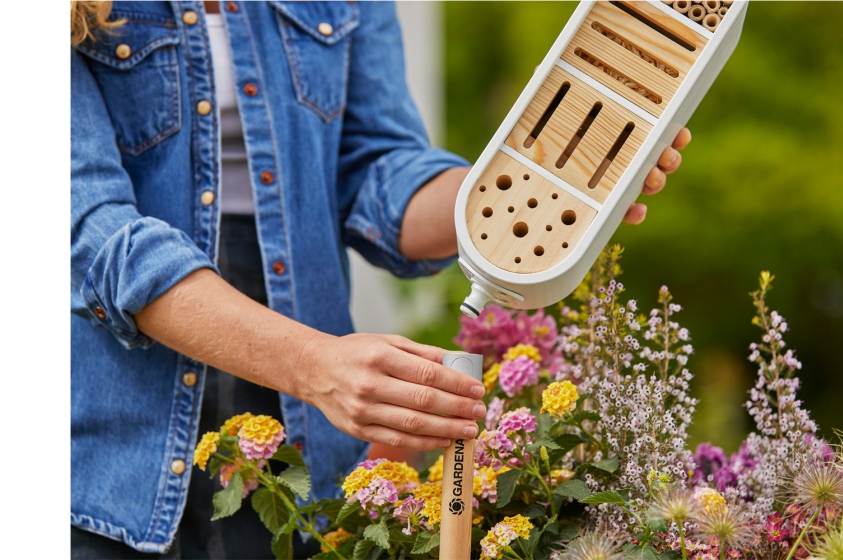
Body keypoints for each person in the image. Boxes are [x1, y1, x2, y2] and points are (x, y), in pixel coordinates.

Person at [70, 1, 691, 557]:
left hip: (307, 443)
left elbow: (376, 167)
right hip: (111, 447)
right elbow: (93, 233)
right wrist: (317, 366)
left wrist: (522, 187)